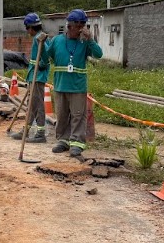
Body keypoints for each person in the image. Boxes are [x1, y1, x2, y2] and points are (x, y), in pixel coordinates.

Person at [44, 9, 103, 157]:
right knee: (62, 114)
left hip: (77, 86)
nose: (82, 29)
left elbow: (99, 54)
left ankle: (77, 142)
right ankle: (63, 140)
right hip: (60, 84)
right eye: (79, 26)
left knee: (78, 115)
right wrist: (41, 44)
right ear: (70, 26)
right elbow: (46, 56)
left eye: (84, 25)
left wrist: (90, 39)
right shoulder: (57, 40)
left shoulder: (84, 42)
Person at [14, 13, 49, 142]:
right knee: (31, 105)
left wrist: (41, 64)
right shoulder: (37, 38)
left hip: (38, 77)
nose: (27, 31)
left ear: (30, 27)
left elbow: (45, 57)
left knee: (38, 105)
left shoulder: (40, 38)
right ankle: (26, 130)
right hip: (33, 76)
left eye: (27, 28)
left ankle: (40, 133)